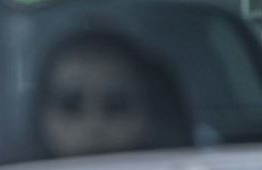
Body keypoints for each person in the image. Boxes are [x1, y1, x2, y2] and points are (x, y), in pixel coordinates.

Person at [33, 29, 188, 159]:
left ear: (150, 114)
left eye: (116, 104)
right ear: (42, 117)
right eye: (70, 105)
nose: (94, 124)